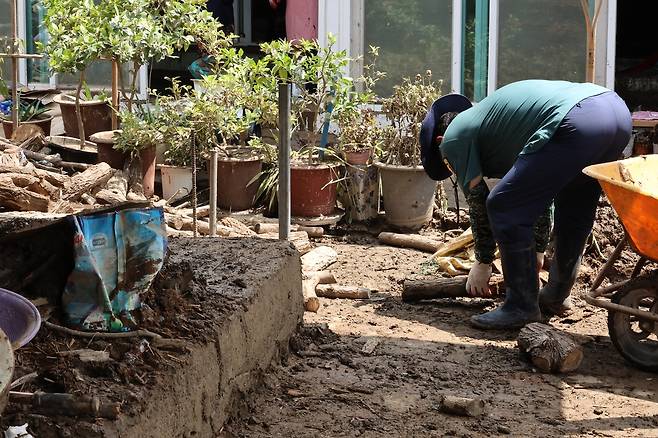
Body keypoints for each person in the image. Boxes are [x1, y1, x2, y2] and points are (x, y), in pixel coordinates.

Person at [419, 80, 632, 330]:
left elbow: (478, 203)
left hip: (576, 119)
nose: (449, 165)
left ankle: (521, 307)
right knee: (574, 203)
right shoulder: (499, 124)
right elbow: (536, 194)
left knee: (502, 204)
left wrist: (483, 263)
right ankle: (555, 296)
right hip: (615, 112)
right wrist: (537, 251)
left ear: (440, 140)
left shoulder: (453, 138)